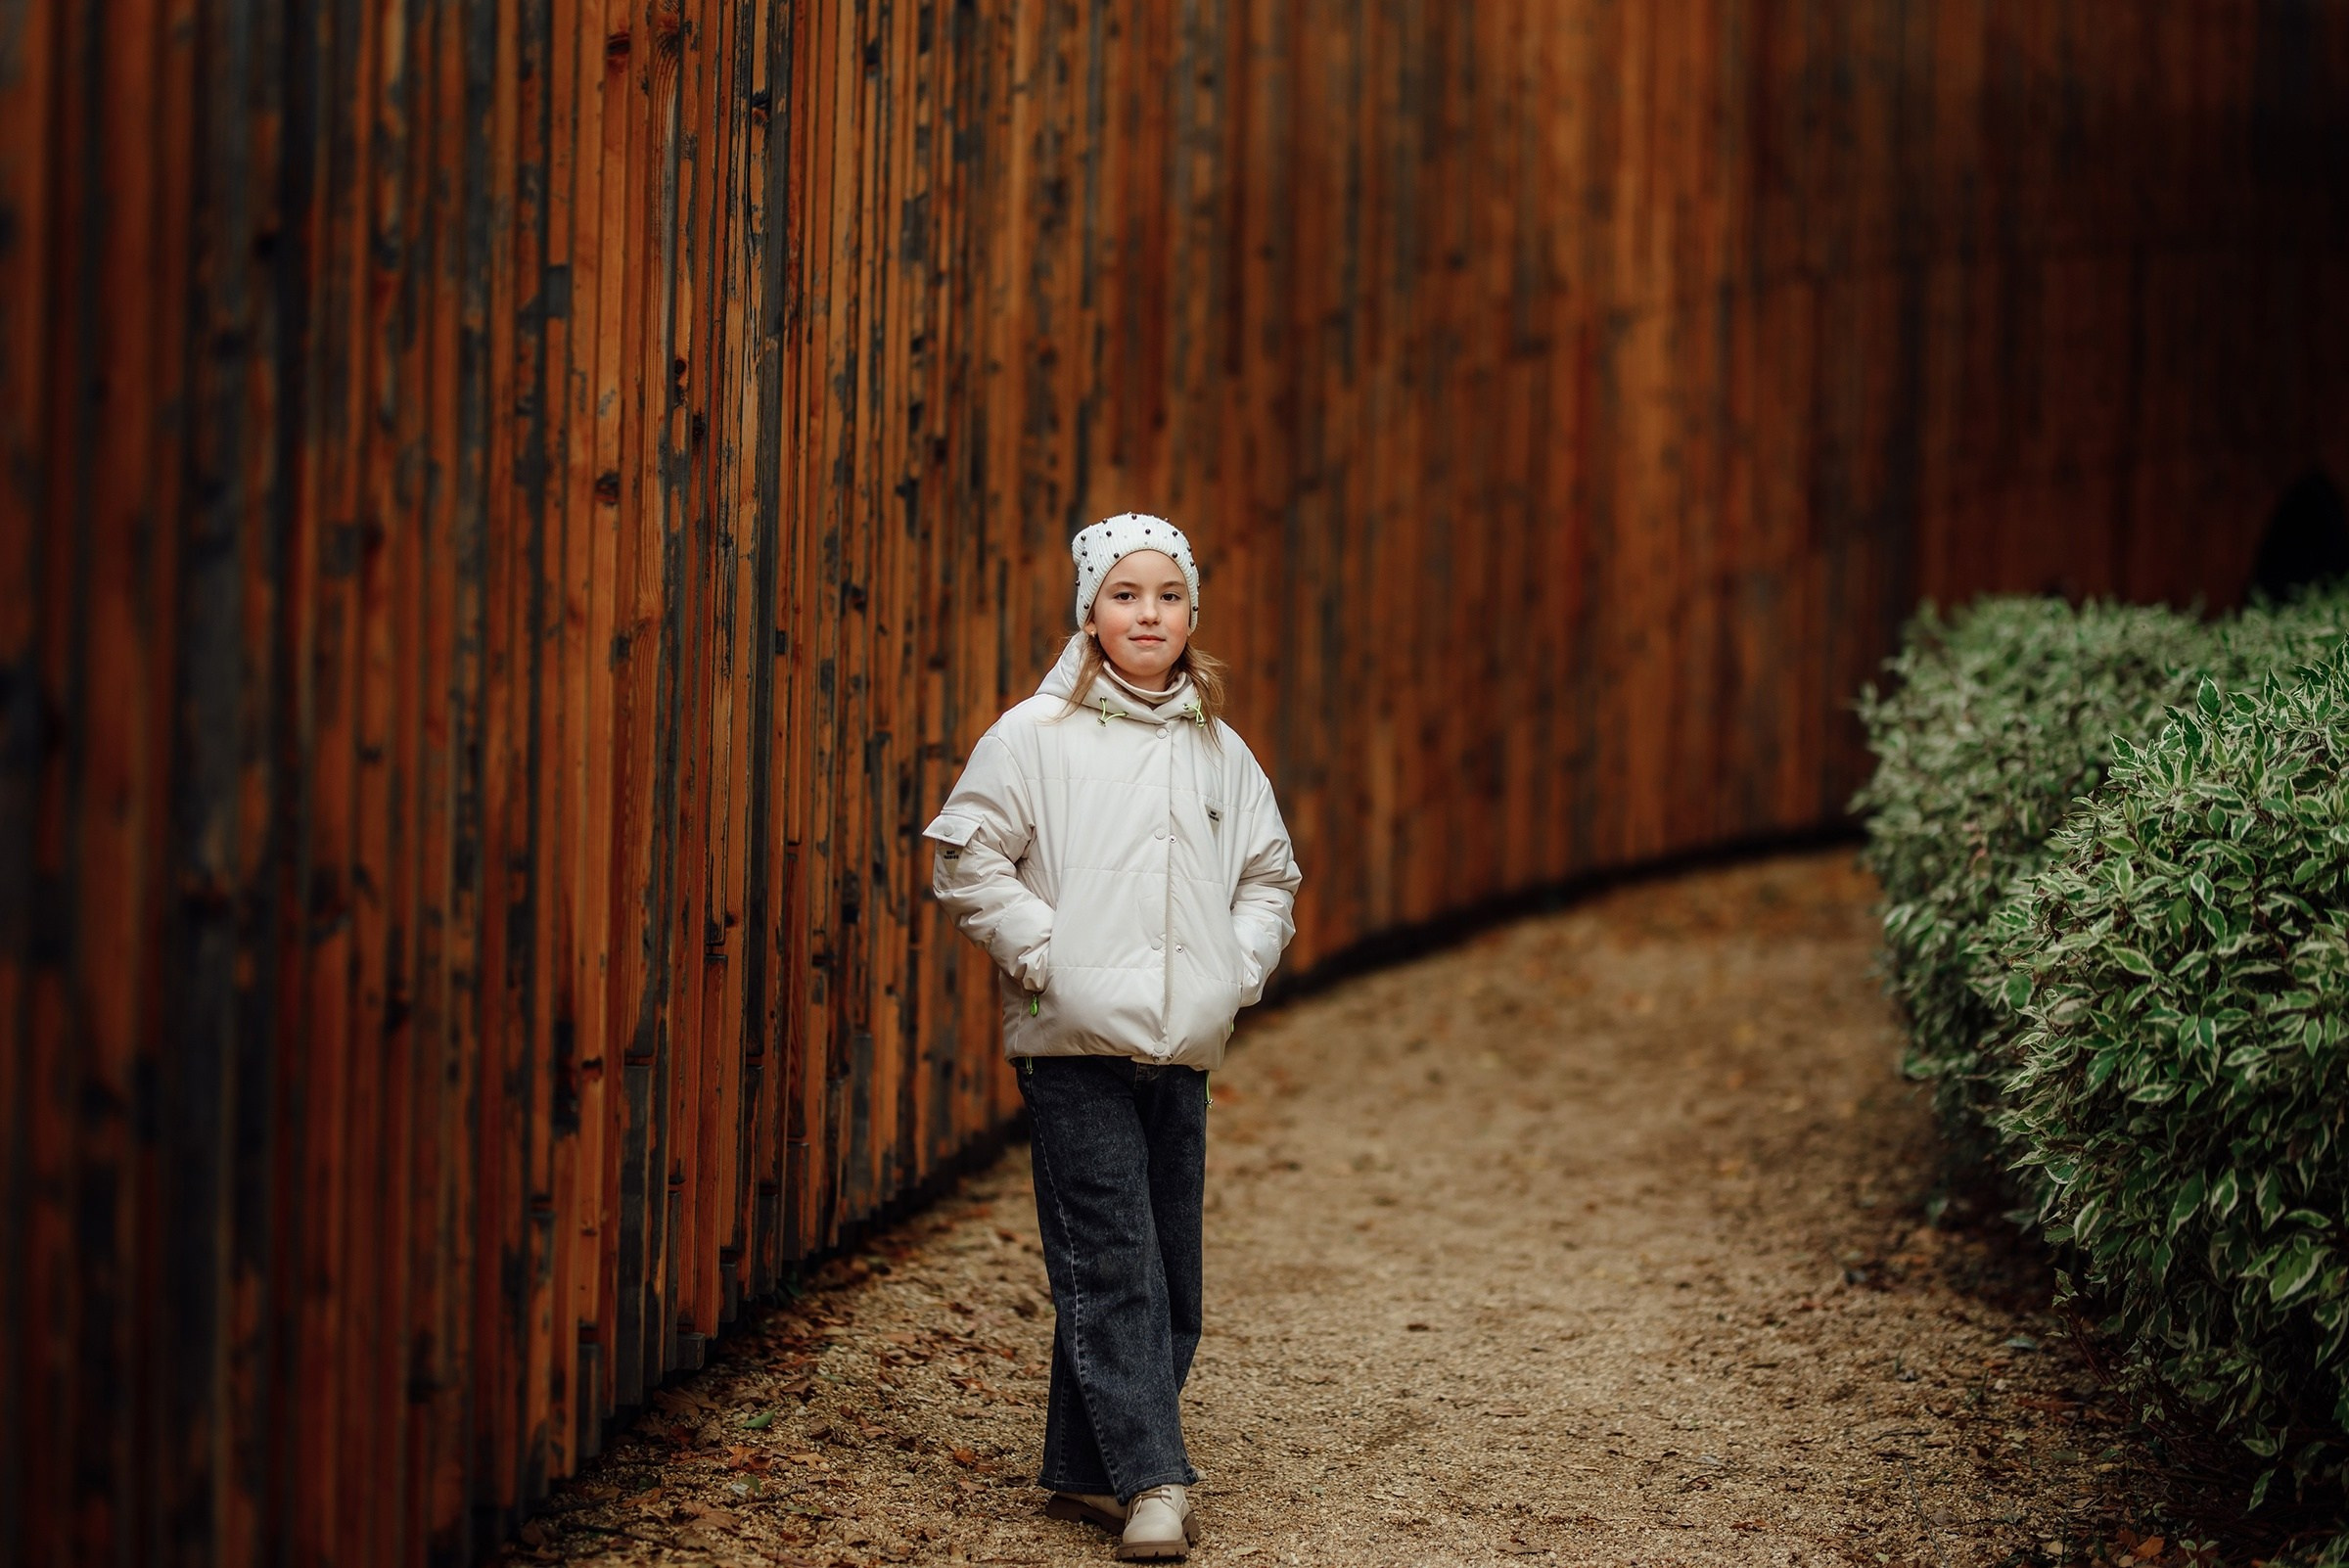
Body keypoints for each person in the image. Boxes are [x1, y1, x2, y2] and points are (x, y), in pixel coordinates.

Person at [923, 515, 1302, 1561]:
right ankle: (1153, 1481)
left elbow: (1269, 876)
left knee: (1167, 1272)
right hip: (1071, 1043)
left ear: (1191, 618)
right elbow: (967, 861)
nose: (1149, 613)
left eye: (1168, 596)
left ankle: (1083, 1472)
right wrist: (1051, 954)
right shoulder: (1034, 737)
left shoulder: (1219, 752)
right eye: (1126, 595)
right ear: (1089, 611)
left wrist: (1236, 970)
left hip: (1177, 1050)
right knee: (1115, 1258)